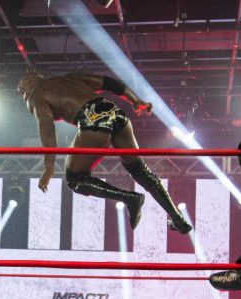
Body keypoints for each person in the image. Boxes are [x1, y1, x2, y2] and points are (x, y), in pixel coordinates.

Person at [17, 70, 191, 234]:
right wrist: (135, 101)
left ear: (27, 86)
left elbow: (47, 130)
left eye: (21, 91)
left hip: (93, 120)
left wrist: (49, 166)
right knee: (140, 171)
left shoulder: (36, 96)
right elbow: (109, 83)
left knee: (75, 179)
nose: (22, 95)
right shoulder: (68, 78)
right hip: (114, 112)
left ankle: (130, 198)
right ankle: (178, 218)